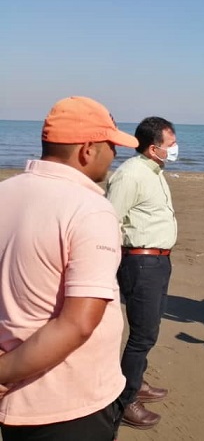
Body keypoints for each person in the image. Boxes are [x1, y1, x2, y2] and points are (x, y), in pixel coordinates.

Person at [0, 96, 138, 440]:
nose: (115, 155)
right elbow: (77, 323)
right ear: (87, 150)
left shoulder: (6, 192)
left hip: (17, 406)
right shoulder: (89, 209)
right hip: (68, 400)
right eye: (111, 146)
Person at [106, 116, 178, 430]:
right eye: (170, 144)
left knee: (151, 328)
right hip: (140, 262)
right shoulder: (131, 174)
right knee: (142, 334)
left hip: (159, 261)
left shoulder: (153, 170)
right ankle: (125, 401)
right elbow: (109, 219)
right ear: (152, 148)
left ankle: (135, 381)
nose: (175, 148)